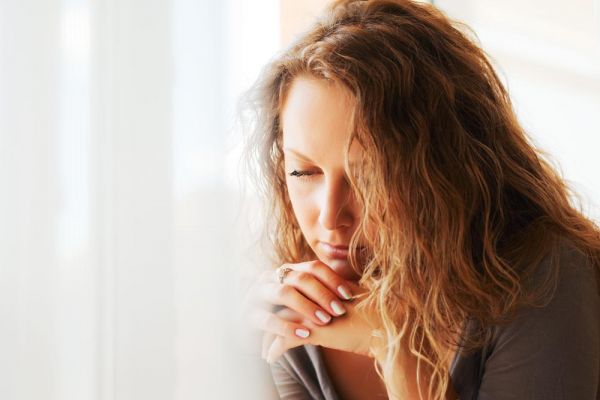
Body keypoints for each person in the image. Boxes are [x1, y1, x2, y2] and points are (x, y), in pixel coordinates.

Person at [239, 0, 600, 399]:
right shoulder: (296, 305)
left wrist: (395, 350)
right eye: (303, 173)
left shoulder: (540, 280)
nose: (328, 217)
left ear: (446, 168)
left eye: (370, 176)